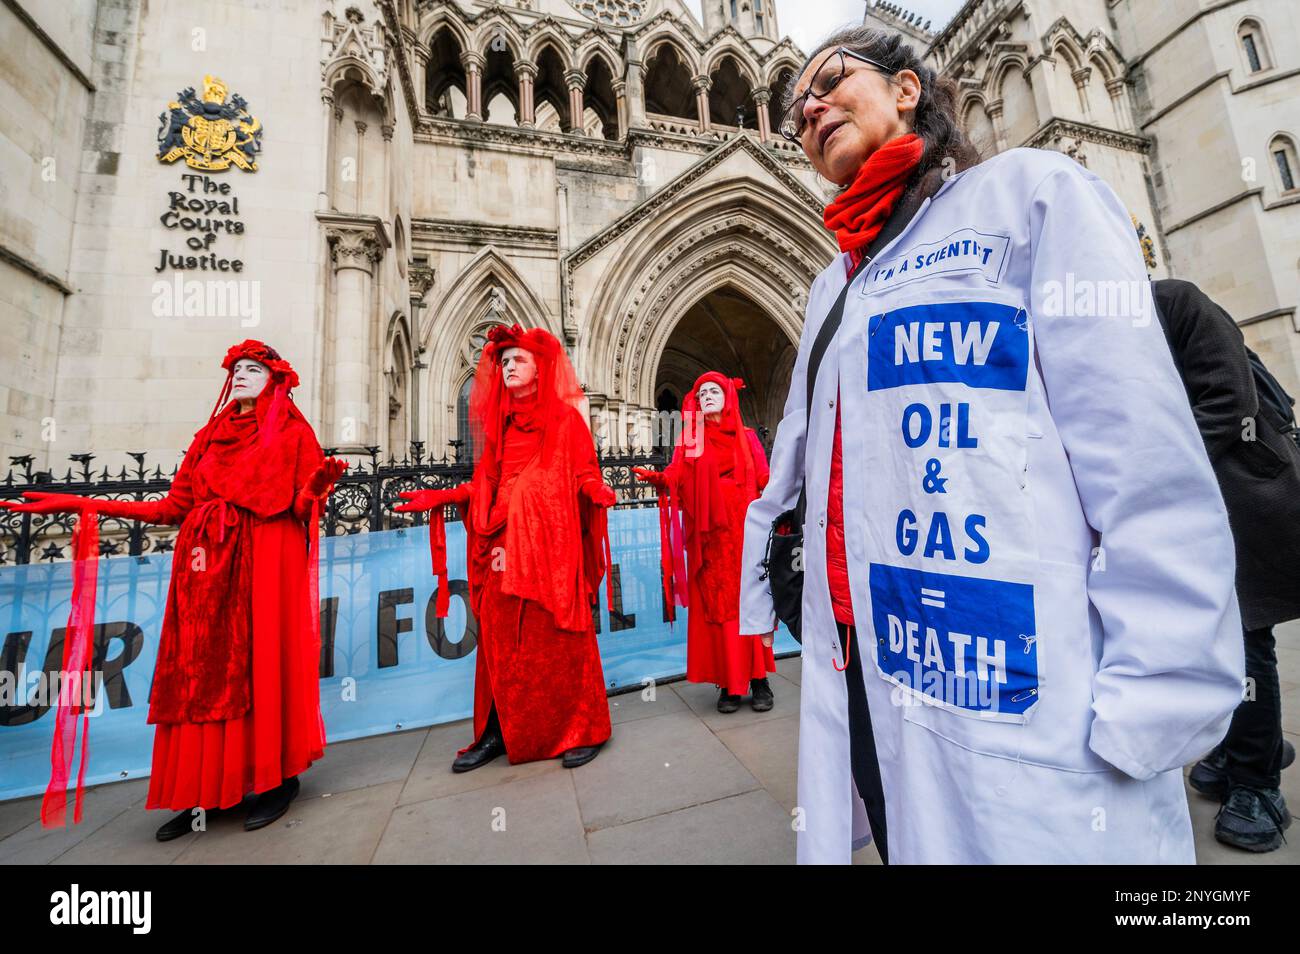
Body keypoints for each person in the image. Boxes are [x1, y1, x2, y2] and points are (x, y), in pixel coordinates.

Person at [738, 27, 1245, 864]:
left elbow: (1141, 461)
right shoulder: (835, 281)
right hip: (877, 671)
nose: (811, 107)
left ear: (907, 90)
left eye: (831, 80)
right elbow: (802, 463)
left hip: (1032, 692)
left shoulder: (1030, 194)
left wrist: (1155, 701)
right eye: (797, 109)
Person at [2, 341, 345, 839]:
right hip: (204, 575)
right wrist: (84, 504)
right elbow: (170, 508)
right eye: (237, 369)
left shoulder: (293, 434)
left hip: (266, 563)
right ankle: (204, 793)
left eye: (254, 368)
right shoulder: (210, 437)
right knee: (198, 676)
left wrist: (313, 493)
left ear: (275, 378)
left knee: (260, 667)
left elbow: (298, 508)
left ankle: (274, 780)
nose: (242, 375)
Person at [396, 324, 615, 771]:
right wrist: (441, 496)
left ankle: (582, 727)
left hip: (550, 544)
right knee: (499, 640)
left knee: (559, 637)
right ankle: (497, 731)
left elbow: (582, 470)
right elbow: (486, 485)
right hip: (501, 544)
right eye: (504, 361)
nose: (508, 367)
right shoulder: (500, 425)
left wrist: (595, 490)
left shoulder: (566, 420)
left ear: (540, 368)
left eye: (518, 360)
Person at [1153, 278, 1299, 852]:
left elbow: (1229, 403)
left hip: (1244, 494)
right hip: (1191, 502)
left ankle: (1258, 784)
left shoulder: (1176, 300)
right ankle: (1242, 745)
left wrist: (1147, 469)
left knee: (1245, 641)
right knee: (1210, 640)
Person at [632, 373, 777, 712]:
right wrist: (660, 478)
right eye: (701, 393)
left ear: (728, 396)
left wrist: (784, 487)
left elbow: (763, 477)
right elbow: (677, 473)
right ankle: (727, 684)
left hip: (743, 535)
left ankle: (759, 682)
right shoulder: (691, 439)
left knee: (748, 607)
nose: (707, 396)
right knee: (718, 610)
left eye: (714, 390)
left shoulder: (747, 437)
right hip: (710, 539)